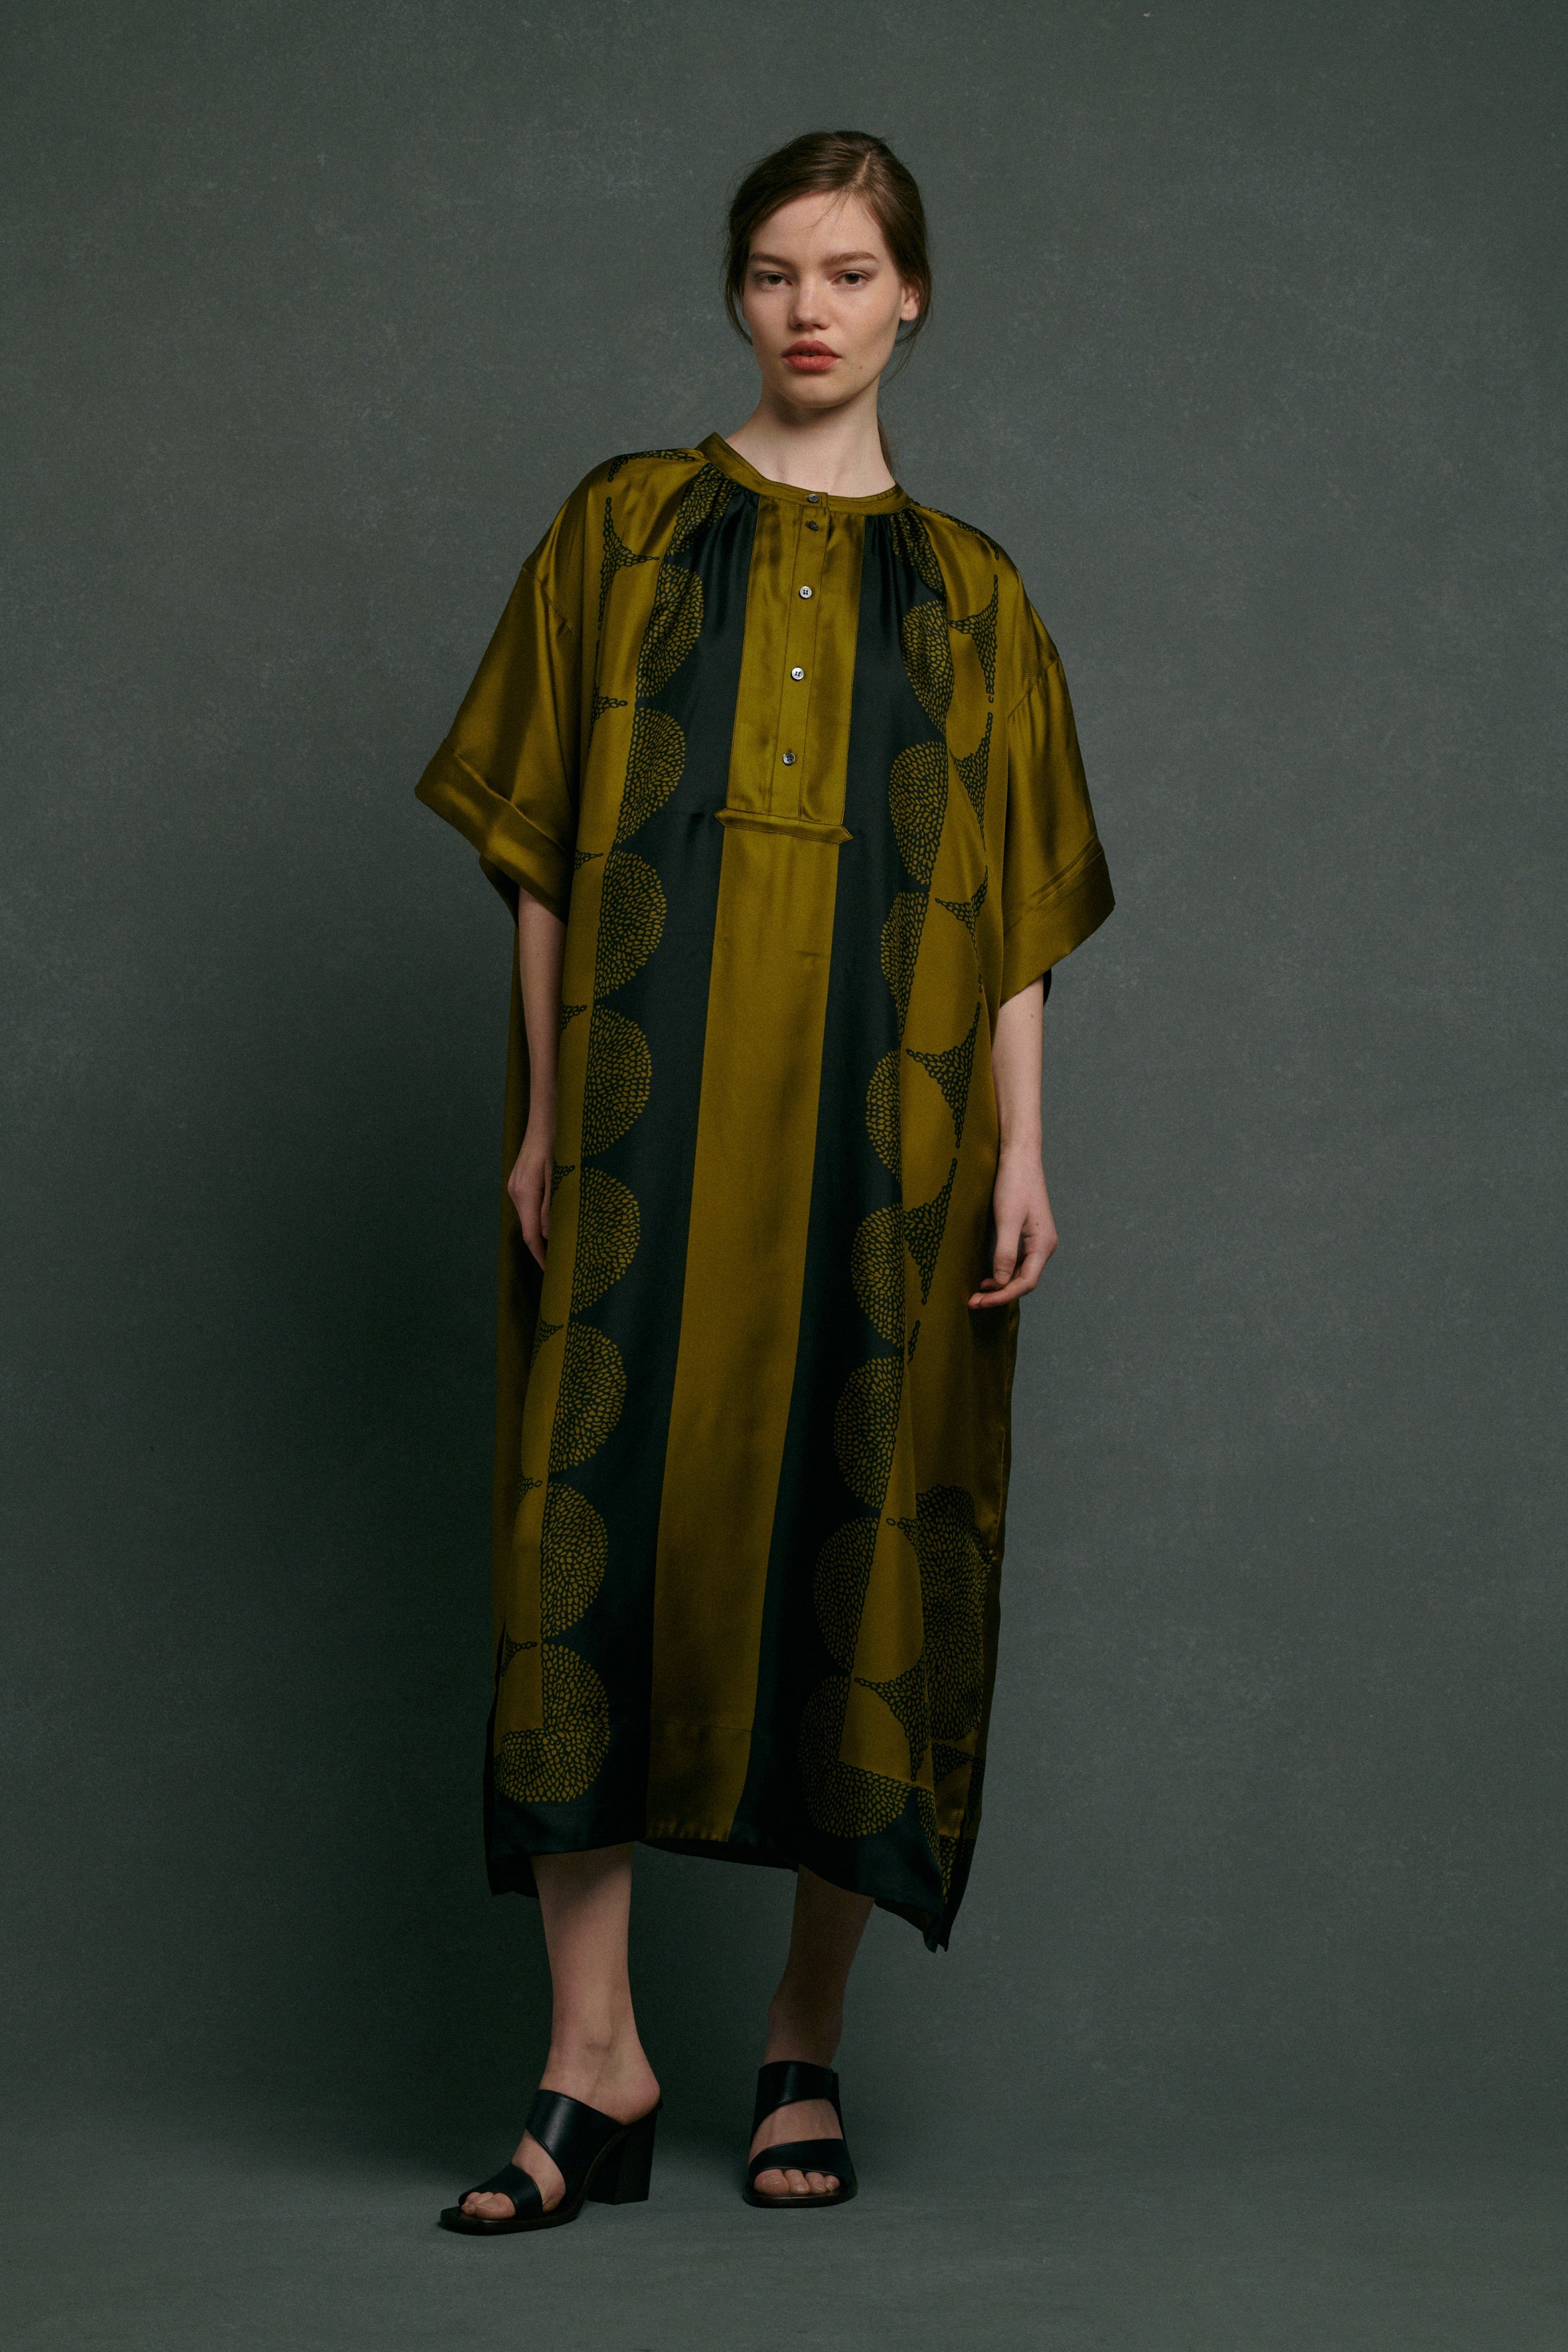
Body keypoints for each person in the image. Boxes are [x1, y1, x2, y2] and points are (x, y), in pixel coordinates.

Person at [415, 129, 1113, 2233]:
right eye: (772, 272)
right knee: (590, 1539)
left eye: (848, 271)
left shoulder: (972, 595)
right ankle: (592, 2062)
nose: (809, 308)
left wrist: (1023, 1147)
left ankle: (802, 2039)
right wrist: (548, 1118)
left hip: (893, 1145)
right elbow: (543, 845)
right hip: (645, 1127)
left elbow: (1007, 904)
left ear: (912, 297)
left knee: (861, 1523)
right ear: (737, 296)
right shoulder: (623, 529)